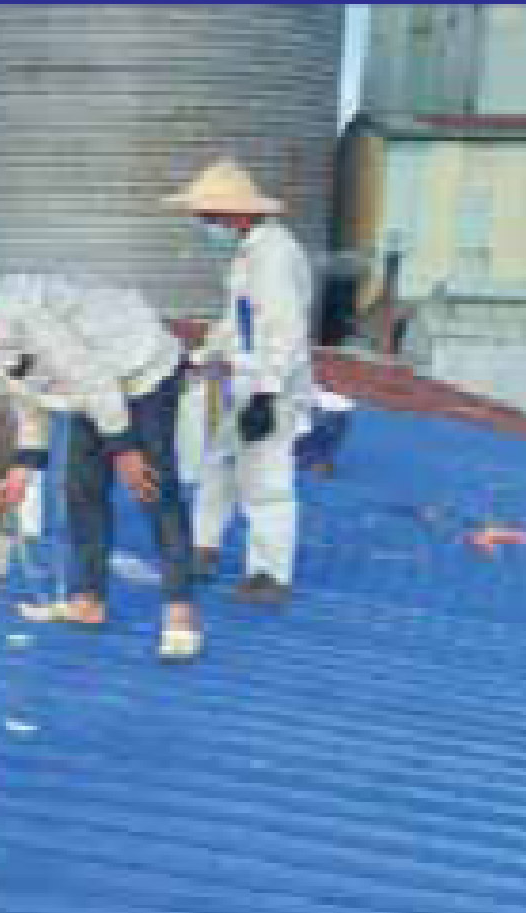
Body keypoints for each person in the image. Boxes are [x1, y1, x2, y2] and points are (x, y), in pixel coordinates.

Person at [0, 262, 202, 662]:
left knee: (151, 484)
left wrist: (125, 449)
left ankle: (181, 612)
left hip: (141, 366)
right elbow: (28, 397)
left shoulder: (20, 313)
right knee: (81, 487)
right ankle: (88, 600)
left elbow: (90, 377)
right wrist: (20, 471)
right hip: (96, 385)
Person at [165, 157, 316, 603]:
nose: (205, 225)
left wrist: (267, 394)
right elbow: (238, 320)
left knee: (266, 478)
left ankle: (270, 574)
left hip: (270, 383)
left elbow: (285, 330)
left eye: (208, 217)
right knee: (218, 462)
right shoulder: (250, 254)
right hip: (242, 377)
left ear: (235, 214)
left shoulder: (274, 256)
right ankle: (203, 547)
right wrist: (202, 356)